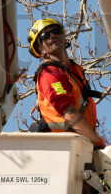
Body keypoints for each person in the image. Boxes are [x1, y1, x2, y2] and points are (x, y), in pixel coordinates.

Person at [28, 18, 106, 148]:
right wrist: (97, 142)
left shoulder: (74, 70)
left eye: (56, 31)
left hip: (80, 143)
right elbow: (68, 113)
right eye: (45, 36)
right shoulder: (50, 72)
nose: (52, 36)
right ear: (40, 49)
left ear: (64, 37)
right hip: (63, 146)